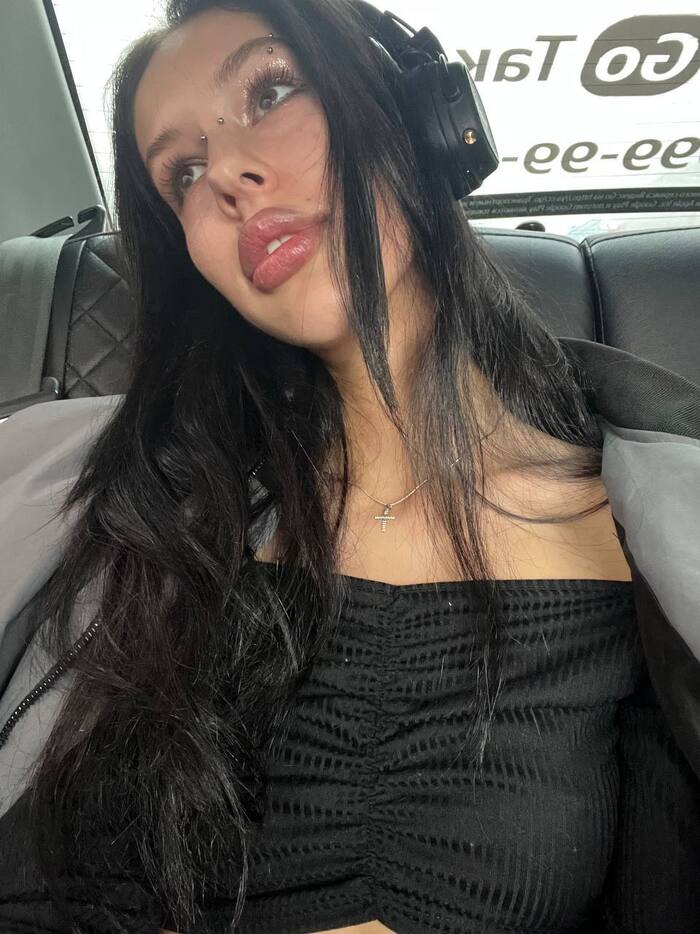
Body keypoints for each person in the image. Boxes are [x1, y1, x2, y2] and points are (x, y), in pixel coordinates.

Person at [0, 1, 699, 932]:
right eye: (183, 173)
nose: (228, 176)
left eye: (271, 91)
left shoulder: (654, 532)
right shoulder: (130, 500)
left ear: (415, 113)